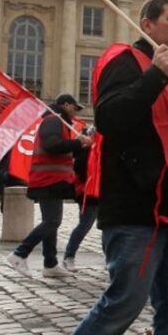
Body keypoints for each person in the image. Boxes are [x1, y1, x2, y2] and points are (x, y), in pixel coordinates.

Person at [39, 0, 168, 335]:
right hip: (137, 209)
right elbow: (112, 118)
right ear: (147, 25)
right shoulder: (126, 61)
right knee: (125, 302)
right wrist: (153, 76)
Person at [7, 95, 89, 279]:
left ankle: (50, 264)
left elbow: (62, 148)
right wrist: (77, 142)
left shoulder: (58, 122)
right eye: (74, 108)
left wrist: (80, 145)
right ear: (66, 105)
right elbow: (52, 145)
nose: (75, 112)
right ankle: (20, 253)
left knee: (51, 221)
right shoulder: (53, 120)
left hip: (52, 179)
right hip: (48, 179)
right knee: (52, 221)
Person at [62, 116, 96, 271]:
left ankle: (110, 259)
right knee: (85, 225)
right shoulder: (86, 150)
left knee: (107, 227)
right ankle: (69, 256)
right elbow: (80, 170)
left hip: (102, 192)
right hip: (87, 193)